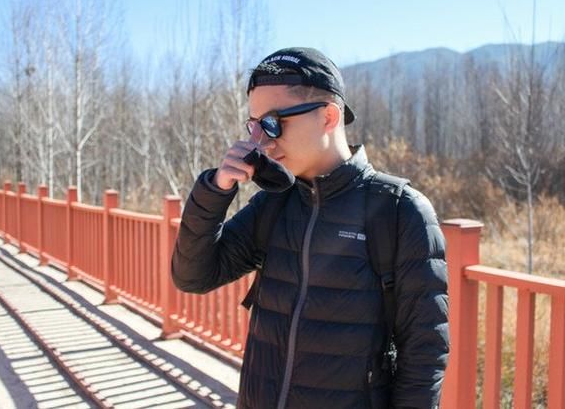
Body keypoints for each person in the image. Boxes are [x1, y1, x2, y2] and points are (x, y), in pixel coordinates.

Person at [172, 47, 449, 409]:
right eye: (253, 126)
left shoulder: (399, 210)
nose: (260, 141)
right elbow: (193, 277)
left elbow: (425, 353)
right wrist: (215, 190)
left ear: (328, 117)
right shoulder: (274, 204)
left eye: (272, 123)